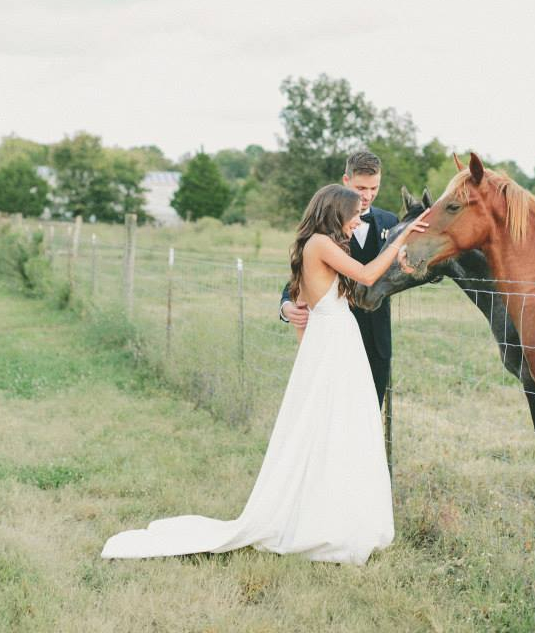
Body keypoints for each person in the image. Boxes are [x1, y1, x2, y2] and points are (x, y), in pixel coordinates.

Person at [101, 184, 427, 565]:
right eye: (354, 213)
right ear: (335, 213)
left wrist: (309, 350)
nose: (359, 219)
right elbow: (368, 276)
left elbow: (313, 302)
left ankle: (338, 515)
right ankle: (328, 523)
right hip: (335, 343)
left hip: (336, 345)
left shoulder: (324, 246)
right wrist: (402, 236)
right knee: (333, 426)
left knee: (339, 427)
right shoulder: (320, 244)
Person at [280, 150, 396, 408]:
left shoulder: (390, 221)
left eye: (374, 188)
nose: (367, 196)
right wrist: (287, 306)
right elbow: (301, 273)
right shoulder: (324, 228)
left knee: (368, 413)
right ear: (346, 180)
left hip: (377, 335)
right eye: (361, 187)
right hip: (332, 335)